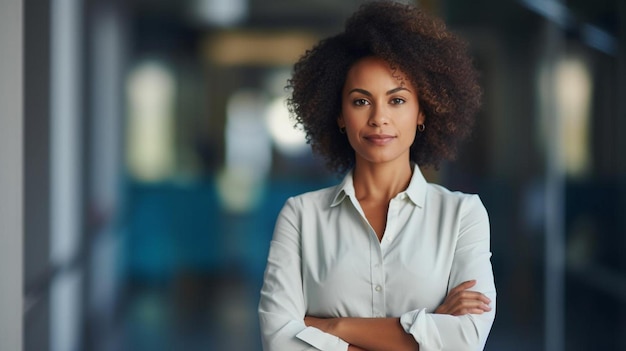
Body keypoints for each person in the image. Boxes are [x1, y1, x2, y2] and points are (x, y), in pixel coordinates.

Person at [258, 1, 496, 350]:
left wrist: (332, 326)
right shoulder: (300, 217)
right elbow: (280, 342)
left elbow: (465, 340)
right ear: (339, 115)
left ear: (422, 112)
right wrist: (426, 333)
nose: (378, 118)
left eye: (397, 100)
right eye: (360, 101)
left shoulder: (463, 216)